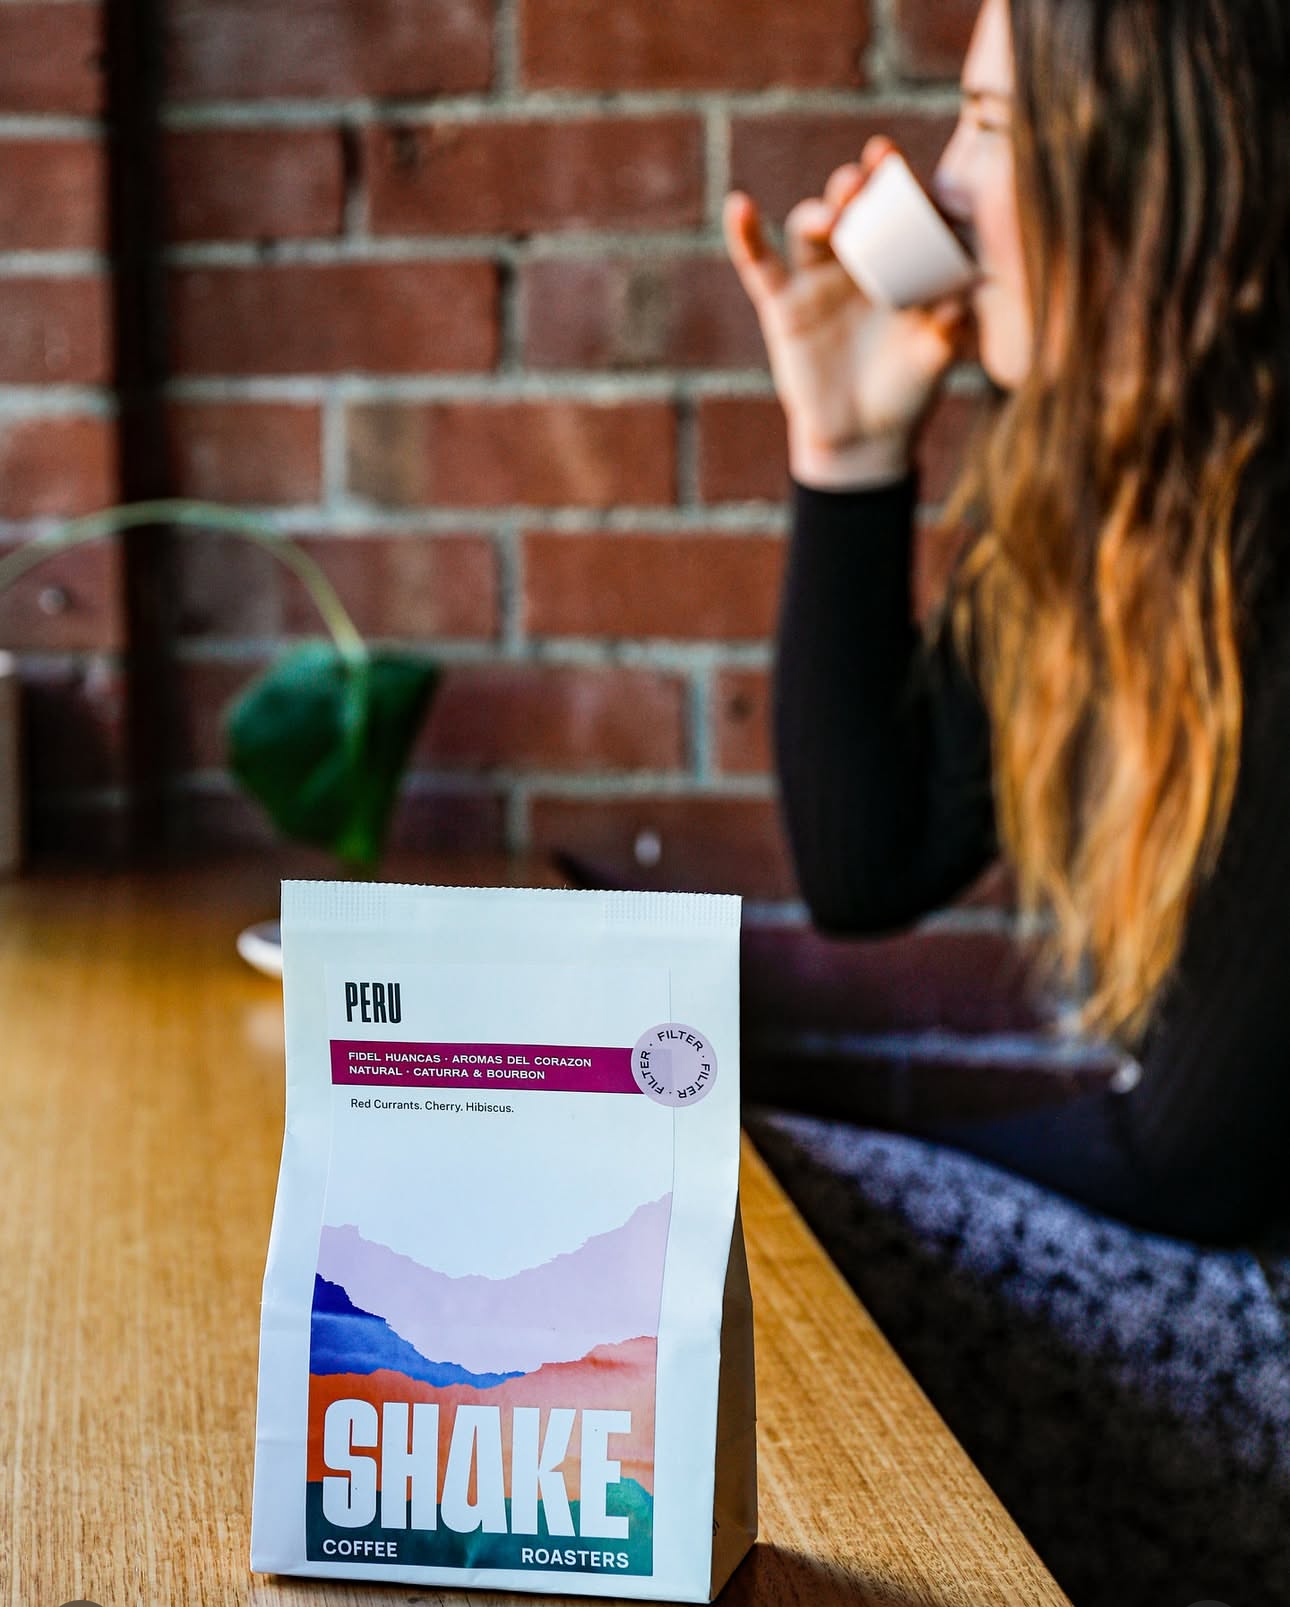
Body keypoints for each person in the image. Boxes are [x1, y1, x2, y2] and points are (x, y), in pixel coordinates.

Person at [723, 6, 1290, 1601]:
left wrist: (765, 1150)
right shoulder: (1109, 491)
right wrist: (845, 449)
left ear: (1168, 162)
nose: (943, 180)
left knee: (742, 1219)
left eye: (988, 119)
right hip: (1213, 1277)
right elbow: (869, 859)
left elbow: (1198, 1163)